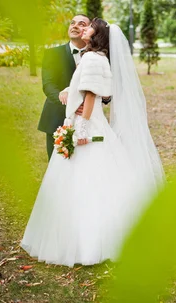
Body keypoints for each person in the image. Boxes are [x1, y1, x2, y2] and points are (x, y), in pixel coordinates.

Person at [21, 18, 165, 267]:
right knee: (104, 177)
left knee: (82, 178)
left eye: (89, 27)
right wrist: (69, 91)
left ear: (96, 35)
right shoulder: (100, 58)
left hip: (86, 125)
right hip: (98, 122)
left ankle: (83, 241)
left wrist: (81, 128)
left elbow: (89, 95)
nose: (84, 28)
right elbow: (103, 92)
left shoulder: (90, 58)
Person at [37, 14, 110, 159]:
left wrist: (105, 97)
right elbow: (48, 84)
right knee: (58, 166)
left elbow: (104, 87)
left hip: (87, 119)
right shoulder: (53, 54)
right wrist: (68, 100)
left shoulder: (99, 56)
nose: (75, 26)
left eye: (82, 24)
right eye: (72, 23)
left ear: (91, 31)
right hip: (57, 118)